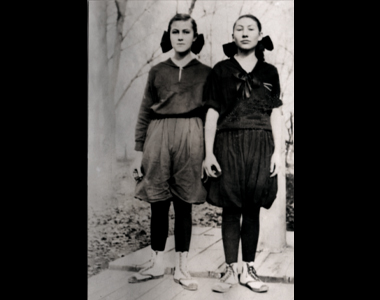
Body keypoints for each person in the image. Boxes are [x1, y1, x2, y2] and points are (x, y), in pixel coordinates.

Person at [127, 13, 211, 291]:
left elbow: (213, 115)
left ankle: (182, 267)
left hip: (191, 137)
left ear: (194, 37)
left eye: (186, 32)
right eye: (175, 32)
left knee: (184, 203)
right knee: (158, 203)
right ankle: (155, 263)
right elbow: (143, 112)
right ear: (169, 35)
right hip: (158, 136)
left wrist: (209, 153)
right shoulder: (157, 71)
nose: (181, 36)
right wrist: (139, 152)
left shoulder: (205, 72)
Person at [202, 14, 283, 294]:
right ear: (233, 35)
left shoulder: (269, 72)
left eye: (251, 29)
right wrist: (208, 153)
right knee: (230, 207)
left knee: (252, 207)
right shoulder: (220, 70)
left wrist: (277, 153)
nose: (245, 33)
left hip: (261, 144)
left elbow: (275, 116)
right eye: (240, 28)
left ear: (260, 36)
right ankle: (229, 271)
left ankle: (248, 269)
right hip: (228, 144)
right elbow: (211, 113)